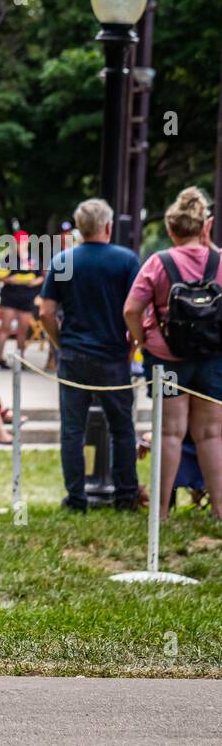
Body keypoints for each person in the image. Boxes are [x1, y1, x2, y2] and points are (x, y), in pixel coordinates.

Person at [123, 186, 222, 520]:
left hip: (167, 360)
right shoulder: (220, 261)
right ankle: (220, 511)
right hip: (212, 357)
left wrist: (140, 341)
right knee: (211, 434)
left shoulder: (159, 262)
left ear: (170, 230)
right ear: (204, 226)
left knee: (170, 433)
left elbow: (131, 310)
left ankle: (161, 513)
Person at [39, 198, 141, 512]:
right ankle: (125, 496)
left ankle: (76, 499)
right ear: (108, 226)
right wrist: (133, 346)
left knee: (72, 430)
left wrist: (60, 345)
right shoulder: (126, 260)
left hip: (74, 355)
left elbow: (45, 312)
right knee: (122, 428)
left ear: (81, 229)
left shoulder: (64, 260)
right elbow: (135, 309)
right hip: (113, 357)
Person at [0, 229, 41, 367]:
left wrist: (34, 282)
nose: (21, 245)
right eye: (19, 243)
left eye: (23, 243)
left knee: (23, 331)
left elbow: (41, 277)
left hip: (27, 298)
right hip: (10, 297)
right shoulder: (8, 258)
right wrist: (9, 279)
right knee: (5, 328)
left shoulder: (33, 259)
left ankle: (20, 360)